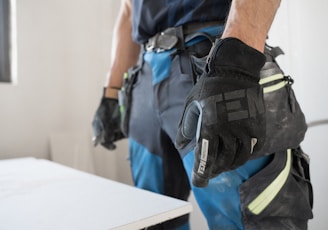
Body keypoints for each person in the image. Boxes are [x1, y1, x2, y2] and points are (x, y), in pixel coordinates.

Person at [92, 0, 313, 229]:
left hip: (215, 61)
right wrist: (112, 90)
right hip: (146, 75)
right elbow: (129, 7)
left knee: (249, 220)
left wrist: (234, 64)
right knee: (154, 219)